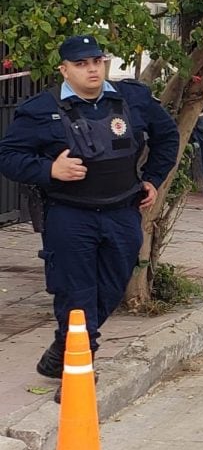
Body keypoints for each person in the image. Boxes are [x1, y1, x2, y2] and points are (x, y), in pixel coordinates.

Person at [0, 35, 179, 402]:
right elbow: (9, 156)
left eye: (97, 60)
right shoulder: (40, 109)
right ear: (64, 70)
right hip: (70, 214)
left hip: (122, 211)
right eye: (81, 64)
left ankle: (62, 348)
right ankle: (76, 372)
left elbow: (168, 138)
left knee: (111, 290)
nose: (92, 68)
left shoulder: (133, 99)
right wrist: (50, 168)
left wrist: (154, 179)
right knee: (76, 293)